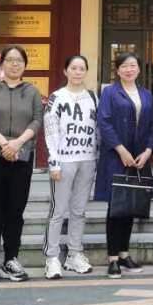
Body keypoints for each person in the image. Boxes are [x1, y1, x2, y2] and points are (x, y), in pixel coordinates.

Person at [0, 45, 43, 285]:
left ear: (25, 65)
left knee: (16, 210)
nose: (15, 64)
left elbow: (37, 120)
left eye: (19, 60)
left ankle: (11, 258)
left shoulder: (32, 91)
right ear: (2, 63)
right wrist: (5, 144)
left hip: (22, 157)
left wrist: (17, 144)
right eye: (10, 60)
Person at [95, 52, 153, 279]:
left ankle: (124, 254)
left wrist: (148, 151)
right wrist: (121, 150)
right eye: (124, 66)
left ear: (139, 69)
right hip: (116, 156)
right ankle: (113, 258)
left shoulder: (146, 94)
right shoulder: (110, 92)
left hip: (139, 158)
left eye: (133, 65)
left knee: (130, 205)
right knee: (115, 207)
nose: (129, 69)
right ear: (118, 70)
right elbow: (104, 122)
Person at [43, 55, 98, 280]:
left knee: (79, 210)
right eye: (73, 68)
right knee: (58, 211)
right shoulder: (57, 97)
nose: (77, 72)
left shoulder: (93, 97)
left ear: (86, 72)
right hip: (64, 161)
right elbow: (51, 131)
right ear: (65, 71)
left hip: (87, 159)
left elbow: (98, 129)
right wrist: (54, 161)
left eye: (81, 68)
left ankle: (74, 253)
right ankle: (52, 257)